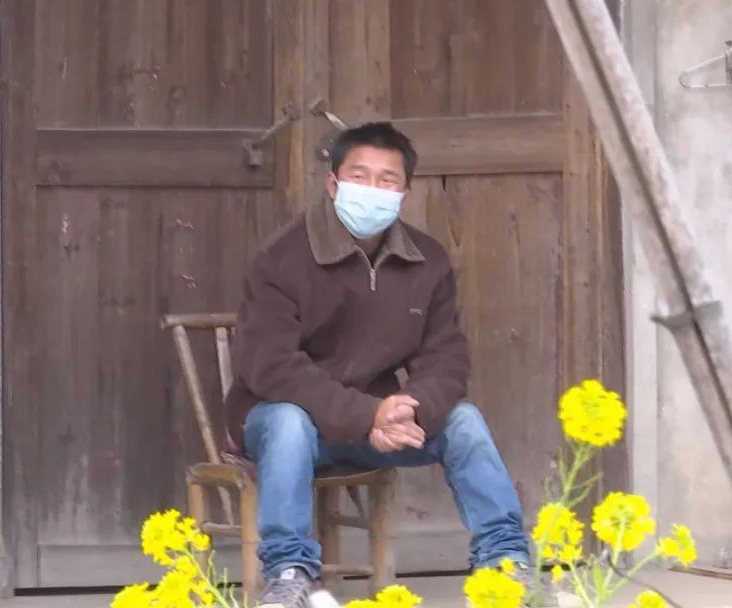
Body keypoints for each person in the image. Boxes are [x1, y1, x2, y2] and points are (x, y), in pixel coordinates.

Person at [224, 122, 540, 608]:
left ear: (404, 193)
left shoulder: (427, 260)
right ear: (333, 184)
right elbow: (270, 365)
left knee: (464, 421)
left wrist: (409, 408)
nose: (372, 189)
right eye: (359, 176)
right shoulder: (281, 258)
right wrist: (366, 413)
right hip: (282, 420)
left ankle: (506, 563)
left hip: (379, 426)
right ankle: (289, 574)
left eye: (387, 180)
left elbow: (446, 356)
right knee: (288, 421)